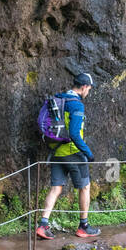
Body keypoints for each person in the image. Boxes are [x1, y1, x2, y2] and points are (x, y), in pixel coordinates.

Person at [36, 72, 101, 239]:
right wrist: (88, 153)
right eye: (89, 89)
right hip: (73, 152)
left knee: (56, 188)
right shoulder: (76, 105)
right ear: (84, 87)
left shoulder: (60, 98)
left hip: (57, 151)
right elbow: (74, 133)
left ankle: (43, 225)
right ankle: (83, 226)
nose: (89, 92)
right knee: (84, 187)